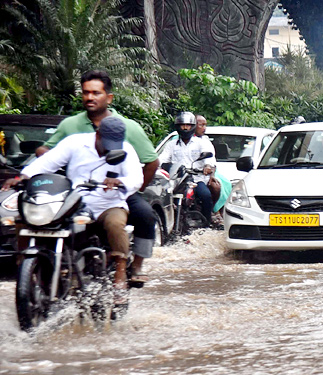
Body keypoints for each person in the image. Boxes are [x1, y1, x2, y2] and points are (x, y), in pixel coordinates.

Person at [36, 70, 159, 281]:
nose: (90, 97)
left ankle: (136, 266)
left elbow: (152, 161)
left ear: (109, 97)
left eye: (96, 93)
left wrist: (131, 189)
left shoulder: (128, 127)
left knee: (146, 215)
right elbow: (45, 151)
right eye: (85, 93)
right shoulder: (70, 125)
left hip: (119, 189)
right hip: (77, 190)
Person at [5, 117, 144, 297]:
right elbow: (46, 163)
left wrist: (119, 181)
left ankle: (120, 270)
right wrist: (23, 178)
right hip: (73, 202)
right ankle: (27, 264)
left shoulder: (126, 150)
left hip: (108, 204)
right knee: (26, 219)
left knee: (115, 224)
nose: (109, 148)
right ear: (98, 134)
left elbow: (137, 179)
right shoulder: (75, 143)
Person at [160, 112, 216, 225]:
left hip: (196, 179)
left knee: (205, 195)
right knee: (163, 196)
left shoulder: (200, 143)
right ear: (178, 126)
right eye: (183, 125)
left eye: (188, 125)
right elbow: (162, 159)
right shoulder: (171, 144)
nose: (185, 128)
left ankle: (207, 222)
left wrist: (207, 166)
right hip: (177, 179)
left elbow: (209, 158)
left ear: (192, 126)